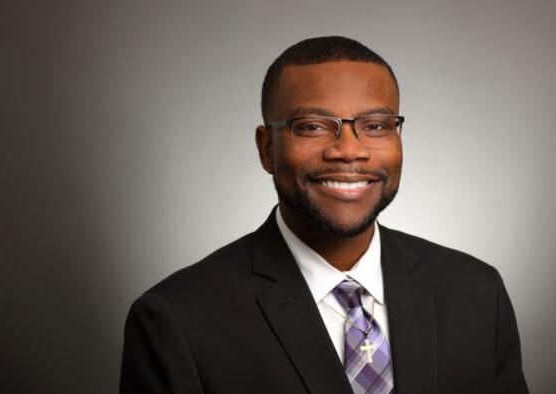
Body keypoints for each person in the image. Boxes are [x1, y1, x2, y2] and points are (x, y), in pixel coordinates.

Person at [120, 36, 529, 394]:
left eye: (376, 125)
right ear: (266, 148)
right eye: (313, 126)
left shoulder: (477, 294)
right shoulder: (177, 319)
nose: (349, 150)